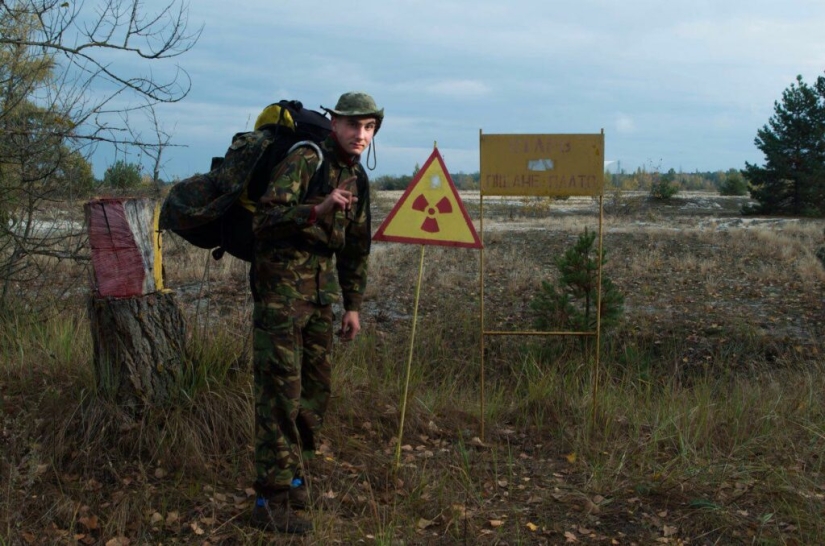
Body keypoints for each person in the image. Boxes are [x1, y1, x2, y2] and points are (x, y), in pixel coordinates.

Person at [248, 92, 382, 534]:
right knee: (279, 396)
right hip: (282, 296)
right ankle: (270, 498)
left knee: (315, 394)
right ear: (335, 124)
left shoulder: (357, 178)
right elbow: (264, 221)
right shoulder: (309, 158)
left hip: (321, 299)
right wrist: (317, 208)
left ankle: (295, 477)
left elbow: (357, 248)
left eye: (369, 128)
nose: (360, 135)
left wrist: (354, 306)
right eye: (353, 126)